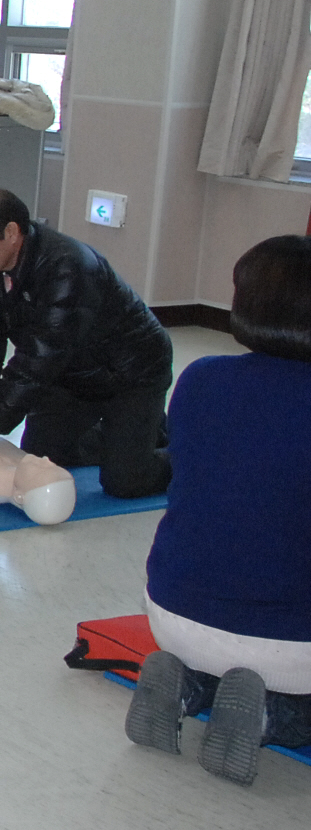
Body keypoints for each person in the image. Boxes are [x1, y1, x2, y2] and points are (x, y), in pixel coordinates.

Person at [124, 235, 311, 784]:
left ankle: (189, 685)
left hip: (173, 609)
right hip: (288, 639)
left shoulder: (200, 377)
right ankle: (274, 714)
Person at [0, 187, 172, 499]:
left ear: (10, 232)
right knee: (41, 461)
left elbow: (41, 355)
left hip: (131, 372)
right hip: (71, 376)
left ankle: (182, 452)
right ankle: (138, 434)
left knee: (126, 481)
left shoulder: (68, 266)